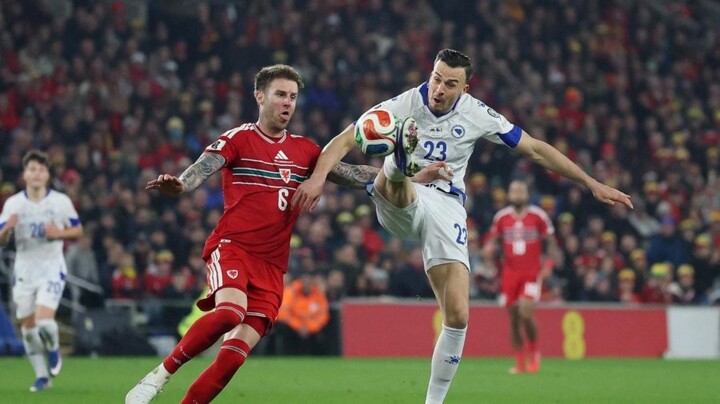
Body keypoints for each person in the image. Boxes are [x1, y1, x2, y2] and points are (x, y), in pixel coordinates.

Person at [292, 49, 633, 404]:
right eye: (436, 79)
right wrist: (317, 179)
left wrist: (590, 182)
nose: (439, 89)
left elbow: (534, 148)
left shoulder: (477, 114)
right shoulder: (403, 104)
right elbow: (345, 140)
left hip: (448, 206)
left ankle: (433, 403)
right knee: (396, 178)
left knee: (457, 315)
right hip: (406, 198)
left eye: (450, 84)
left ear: (465, 89)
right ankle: (400, 163)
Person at [125, 64, 448, 404]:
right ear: (260, 97)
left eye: (292, 97)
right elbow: (200, 170)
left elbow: (354, 173)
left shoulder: (305, 151)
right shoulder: (239, 139)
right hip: (234, 247)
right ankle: (159, 376)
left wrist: (413, 177)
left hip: (272, 266)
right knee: (230, 313)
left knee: (233, 356)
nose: (287, 103)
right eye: (280, 94)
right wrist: (180, 184)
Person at [0, 149, 83, 392]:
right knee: (27, 330)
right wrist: (7, 229)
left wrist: (59, 233)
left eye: (41, 170)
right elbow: (1, 240)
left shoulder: (60, 201)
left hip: (51, 268)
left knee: (44, 321)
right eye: (32, 169)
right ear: (25, 175)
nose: (37, 174)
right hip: (24, 271)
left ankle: (54, 348)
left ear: (47, 175)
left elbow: (78, 230)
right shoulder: (14, 204)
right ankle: (42, 377)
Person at [484, 180, 557, 374]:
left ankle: (534, 353)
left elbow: (551, 241)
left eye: (521, 191)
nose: (517, 194)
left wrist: (549, 265)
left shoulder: (538, 216)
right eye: (514, 191)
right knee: (514, 319)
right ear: (509, 195)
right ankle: (519, 362)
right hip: (510, 274)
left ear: (527, 194)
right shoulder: (502, 217)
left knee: (526, 312)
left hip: (531, 273)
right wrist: (489, 249)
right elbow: (493, 240)